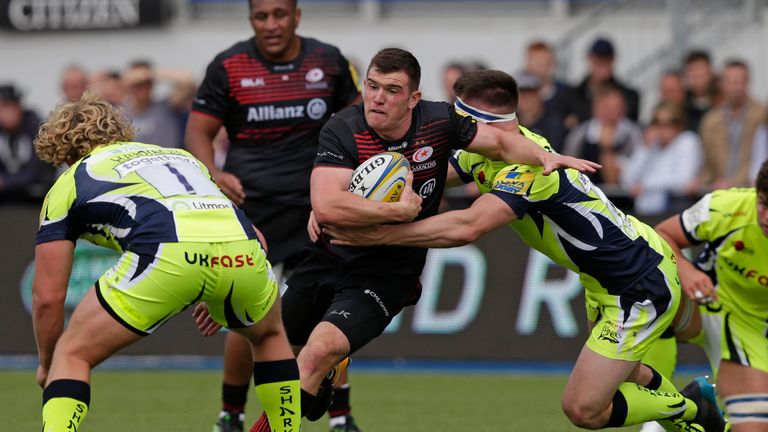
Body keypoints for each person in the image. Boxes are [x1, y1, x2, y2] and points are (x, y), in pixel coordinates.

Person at [324, 69, 727, 432]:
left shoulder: (530, 167)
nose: (449, 126)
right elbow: (424, 175)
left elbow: (468, 225)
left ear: (479, 122)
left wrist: (376, 236)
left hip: (637, 281)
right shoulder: (486, 149)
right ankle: (698, 419)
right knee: (626, 374)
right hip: (604, 280)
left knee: (584, 409)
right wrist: (341, 203)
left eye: (457, 119)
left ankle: (694, 408)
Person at [244, 48, 600, 432]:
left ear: (414, 99)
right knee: (280, 353)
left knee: (317, 353)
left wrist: (544, 156)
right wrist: (394, 211)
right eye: (372, 86)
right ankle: (323, 378)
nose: (378, 97)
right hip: (328, 255)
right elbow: (327, 206)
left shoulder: (439, 121)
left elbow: (499, 145)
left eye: (392, 90)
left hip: (386, 273)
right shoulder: (343, 128)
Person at [31, 92, 300, 432]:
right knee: (269, 335)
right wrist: (219, 287)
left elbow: (48, 299)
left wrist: (47, 363)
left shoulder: (69, 182)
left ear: (63, 150)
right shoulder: (180, 158)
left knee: (72, 354)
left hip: (166, 252)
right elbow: (255, 235)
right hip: (243, 250)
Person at [184, 0, 362, 430]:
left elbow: (359, 123)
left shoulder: (328, 60)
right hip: (253, 209)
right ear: (251, 20)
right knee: (247, 317)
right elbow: (198, 131)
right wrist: (213, 173)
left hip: (316, 208)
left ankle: (340, 416)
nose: (271, 24)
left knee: (330, 315)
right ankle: (230, 414)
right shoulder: (228, 66)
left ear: (296, 16)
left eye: (279, 14)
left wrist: (357, 179)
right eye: (261, 16)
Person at [655, 160, 768, 432]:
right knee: (647, 281)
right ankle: (657, 404)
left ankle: (699, 412)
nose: (766, 219)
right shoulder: (725, 207)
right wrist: (687, 271)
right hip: (703, 303)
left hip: (750, 330)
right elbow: (662, 234)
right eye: (764, 204)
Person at [690, 59, 766, 192]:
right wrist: (699, 180)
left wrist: (734, 182)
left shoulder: (762, 115)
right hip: (719, 191)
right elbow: (707, 163)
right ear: (722, 84)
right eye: (729, 81)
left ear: (747, 83)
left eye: (737, 81)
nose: (734, 87)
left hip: (752, 190)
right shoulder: (710, 120)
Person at [621, 102, 702, 216]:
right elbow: (627, 180)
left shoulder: (687, 140)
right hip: (644, 212)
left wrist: (646, 185)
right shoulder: (650, 145)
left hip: (673, 210)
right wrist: (644, 148)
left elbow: (684, 179)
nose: (662, 128)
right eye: (657, 123)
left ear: (679, 124)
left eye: (669, 123)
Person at [563, 84, 644, 187]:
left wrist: (607, 149)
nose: (611, 112)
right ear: (596, 108)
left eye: (616, 107)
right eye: (607, 107)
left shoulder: (632, 134)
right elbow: (568, 164)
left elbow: (631, 173)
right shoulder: (581, 133)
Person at [564, 37, 641, 126]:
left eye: (606, 61)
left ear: (613, 61)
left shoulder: (629, 96)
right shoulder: (571, 96)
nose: (601, 66)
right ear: (589, 60)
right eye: (597, 61)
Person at [0, 83, 55, 203]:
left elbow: (37, 172)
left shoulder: (36, 128)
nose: (9, 112)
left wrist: (5, 182)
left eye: (13, 106)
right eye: (5, 107)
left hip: (35, 201)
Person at [123, 60, 195, 149]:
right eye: (138, 85)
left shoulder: (166, 106)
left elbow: (188, 82)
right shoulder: (122, 112)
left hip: (168, 160)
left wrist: (149, 73)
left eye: (147, 83)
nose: (143, 88)